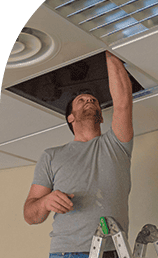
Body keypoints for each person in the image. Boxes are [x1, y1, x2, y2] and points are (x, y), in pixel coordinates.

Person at [23, 51, 134, 258]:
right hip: (66, 252)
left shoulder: (116, 144)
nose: (90, 101)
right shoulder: (52, 156)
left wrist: (107, 49)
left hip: (112, 251)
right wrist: (46, 202)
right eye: (82, 100)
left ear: (101, 118)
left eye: (94, 100)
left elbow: (123, 102)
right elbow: (30, 215)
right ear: (70, 118)